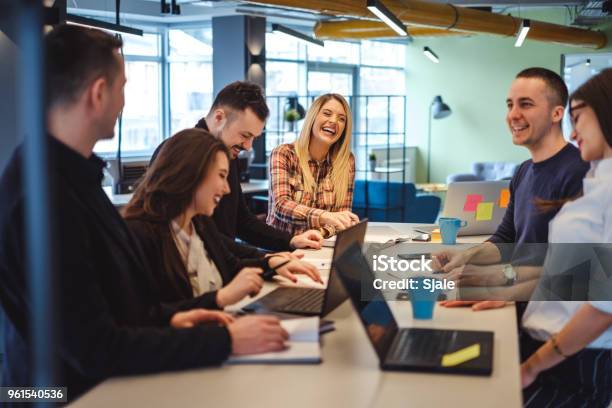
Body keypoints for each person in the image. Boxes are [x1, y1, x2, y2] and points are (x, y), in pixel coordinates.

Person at [0, 25, 287, 400]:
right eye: (123, 87)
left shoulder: (70, 174)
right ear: (98, 93)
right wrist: (223, 339)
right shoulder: (43, 193)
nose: (123, 102)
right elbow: (95, 346)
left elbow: (112, 307)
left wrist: (171, 318)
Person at [434, 67, 589, 310]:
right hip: (513, 299)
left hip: (546, 311)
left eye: (525, 105)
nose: (513, 115)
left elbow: (572, 268)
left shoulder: (579, 171)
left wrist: (498, 282)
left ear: (557, 113)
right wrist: (464, 255)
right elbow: (506, 239)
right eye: (510, 105)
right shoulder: (523, 171)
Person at [124, 129, 321, 308]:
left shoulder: (199, 223)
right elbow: (147, 316)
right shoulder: (139, 235)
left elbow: (230, 266)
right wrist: (221, 298)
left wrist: (272, 263)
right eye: (221, 176)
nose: (226, 189)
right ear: (190, 173)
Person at [519, 68, 612, 407]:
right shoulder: (598, 179)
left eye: (578, 118)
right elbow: (570, 274)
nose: (573, 134)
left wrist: (532, 367)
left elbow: (604, 307)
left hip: (574, 359)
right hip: (552, 349)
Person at [149, 81, 323, 256]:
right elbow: (200, 235)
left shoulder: (227, 152)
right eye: (245, 135)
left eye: (253, 138)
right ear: (219, 118)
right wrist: (265, 259)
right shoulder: (179, 153)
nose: (248, 146)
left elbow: (241, 220)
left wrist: (290, 240)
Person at [267, 93, 358, 238]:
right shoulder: (284, 154)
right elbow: (281, 205)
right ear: (312, 118)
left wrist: (319, 232)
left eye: (342, 119)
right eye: (327, 114)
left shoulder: (347, 161)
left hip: (320, 244)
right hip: (281, 248)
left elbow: (342, 218)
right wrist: (324, 216)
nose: (334, 121)